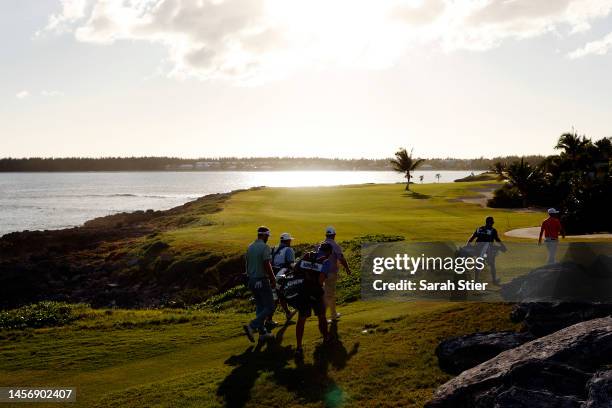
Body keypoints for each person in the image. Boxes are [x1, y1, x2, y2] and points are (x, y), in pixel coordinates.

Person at [294, 242, 333, 358]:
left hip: (303, 290)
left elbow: (296, 268)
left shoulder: (308, 255)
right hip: (316, 292)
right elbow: (320, 281)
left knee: (301, 319)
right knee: (321, 316)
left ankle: (299, 347)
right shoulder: (326, 262)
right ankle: (326, 338)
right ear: (329, 252)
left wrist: (307, 274)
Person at [243, 226, 276, 343]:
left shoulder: (250, 247)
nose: (268, 238)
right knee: (270, 307)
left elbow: (246, 264)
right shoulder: (265, 247)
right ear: (264, 235)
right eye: (267, 236)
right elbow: (267, 264)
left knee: (260, 306)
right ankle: (252, 326)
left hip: (251, 280)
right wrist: (273, 279)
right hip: (261, 280)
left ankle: (262, 333)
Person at [322, 226, 351, 323]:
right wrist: (347, 268)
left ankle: (332, 314)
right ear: (334, 235)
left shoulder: (320, 245)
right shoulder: (334, 245)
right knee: (329, 294)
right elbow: (341, 258)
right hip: (330, 273)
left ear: (326, 235)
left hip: (321, 274)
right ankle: (326, 316)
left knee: (328, 294)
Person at [466, 216, 506, 285]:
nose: (493, 223)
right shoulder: (493, 230)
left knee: (484, 263)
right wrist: (503, 247)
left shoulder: (479, 229)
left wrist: (468, 245)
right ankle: (490, 281)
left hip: (477, 248)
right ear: (490, 223)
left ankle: (479, 281)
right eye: (492, 222)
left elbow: (472, 238)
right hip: (486, 249)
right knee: (489, 264)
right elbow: (497, 240)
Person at [268, 232, 297, 325]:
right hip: (282, 275)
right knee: (276, 298)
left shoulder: (274, 248)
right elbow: (291, 264)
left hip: (273, 274)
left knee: (280, 295)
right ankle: (268, 320)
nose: (290, 242)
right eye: (290, 240)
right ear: (287, 241)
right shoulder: (288, 250)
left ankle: (288, 313)